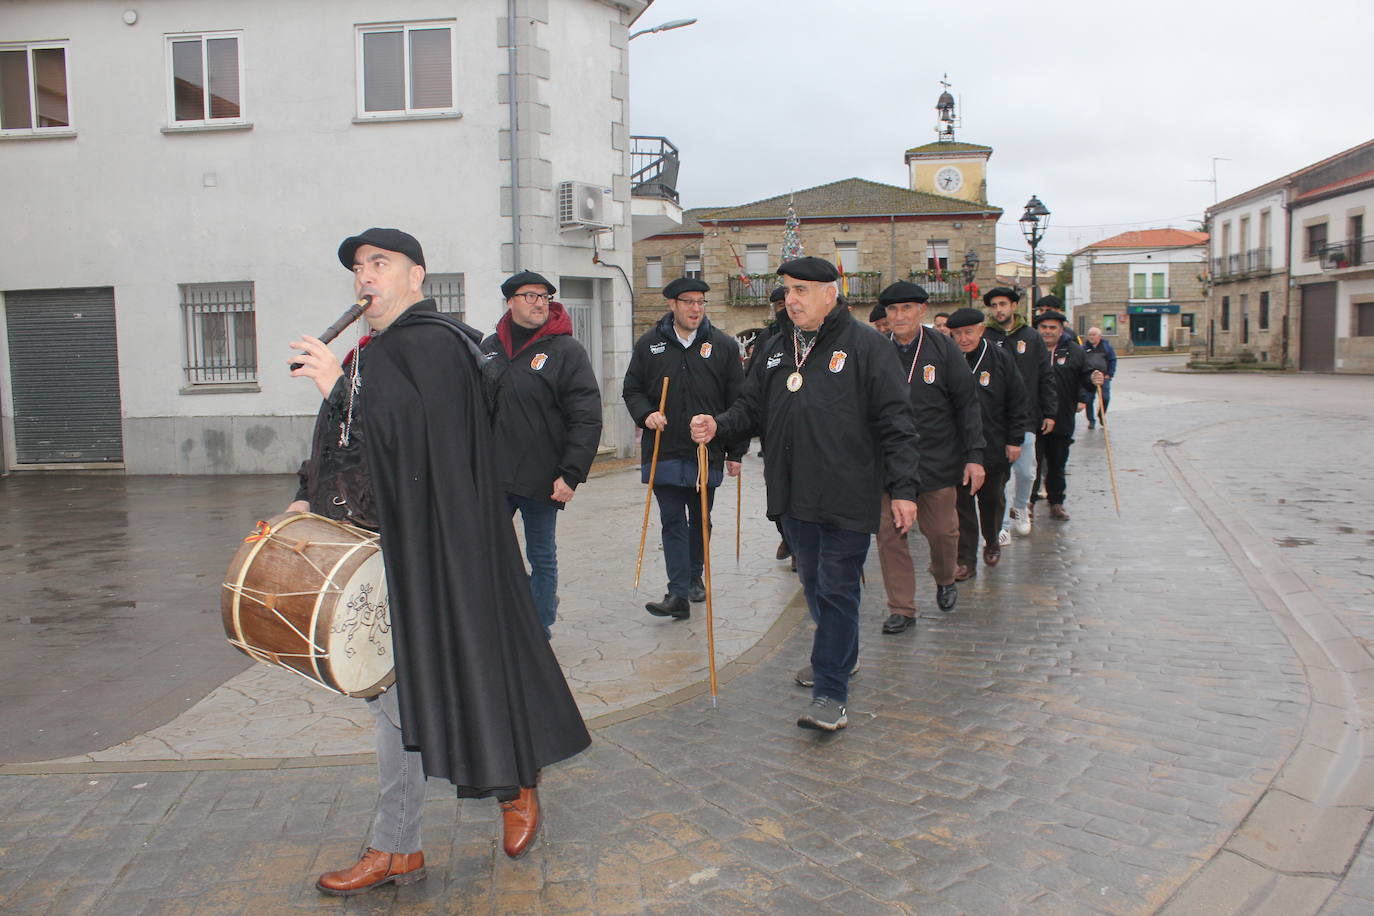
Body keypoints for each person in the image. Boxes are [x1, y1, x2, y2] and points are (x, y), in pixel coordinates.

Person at [288, 228, 590, 896]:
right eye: (358, 268)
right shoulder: (376, 351)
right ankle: (400, 844)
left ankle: (507, 786)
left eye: (379, 263)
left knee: (448, 676)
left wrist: (341, 385)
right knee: (393, 694)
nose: (364, 277)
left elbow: (429, 443)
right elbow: (350, 450)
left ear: (416, 275)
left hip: (442, 547)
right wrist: (304, 510)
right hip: (384, 548)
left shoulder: (437, 344)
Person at [690, 257, 920, 732]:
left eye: (801, 290)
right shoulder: (776, 348)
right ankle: (840, 654)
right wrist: (718, 425)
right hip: (793, 494)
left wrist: (903, 489)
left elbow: (898, 422)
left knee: (836, 588)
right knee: (814, 583)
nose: (791, 299)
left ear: (830, 294)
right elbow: (750, 407)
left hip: (847, 491)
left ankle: (830, 692)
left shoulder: (867, 347)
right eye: (788, 291)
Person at [480, 270, 603, 638]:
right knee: (493, 552)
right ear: (511, 301)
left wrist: (571, 474)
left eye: (544, 296)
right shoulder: (489, 348)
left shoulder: (565, 350)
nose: (539, 303)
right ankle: (516, 610)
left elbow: (587, 416)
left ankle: (539, 624)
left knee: (541, 555)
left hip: (542, 476)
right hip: (494, 475)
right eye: (530, 296)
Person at [623, 277, 746, 620]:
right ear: (672, 305)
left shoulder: (722, 345)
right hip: (664, 447)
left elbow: (738, 401)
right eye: (688, 302)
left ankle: (694, 576)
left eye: (701, 302)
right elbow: (631, 389)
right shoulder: (649, 345)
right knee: (672, 520)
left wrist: (735, 452)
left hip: (707, 449)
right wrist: (646, 414)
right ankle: (677, 592)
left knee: (700, 519)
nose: (695, 308)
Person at [872, 280, 983, 637]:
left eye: (906, 308)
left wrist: (974, 456)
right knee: (890, 535)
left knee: (942, 532)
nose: (899, 316)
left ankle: (945, 577)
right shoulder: (874, 349)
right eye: (892, 310)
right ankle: (902, 607)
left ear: (921, 310)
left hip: (936, 458)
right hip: (888, 461)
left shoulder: (943, 348)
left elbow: (966, 403)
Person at [946, 308, 1031, 575]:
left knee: (992, 499)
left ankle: (992, 539)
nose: (963, 338)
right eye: (957, 333)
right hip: (957, 447)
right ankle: (965, 560)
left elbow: (1018, 400)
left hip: (993, 443)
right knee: (962, 505)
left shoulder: (1001, 359)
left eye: (968, 332)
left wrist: (1015, 440)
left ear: (981, 330)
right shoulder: (948, 359)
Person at [982, 287, 1057, 542]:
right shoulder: (986, 336)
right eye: (993, 305)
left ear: (1014, 306)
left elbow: (1046, 376)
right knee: (999, 476)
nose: (998, 309)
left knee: (1026, 472)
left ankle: (1021, 507)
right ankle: (1001, 525)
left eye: (1003, 304)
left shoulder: (1031, 337)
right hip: (994, 420)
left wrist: (1049, 411)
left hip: (1025, 416)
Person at [1032, 305, 1103, 520]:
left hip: (1062, 416)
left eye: (1052, 327)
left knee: (1057, 463)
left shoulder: (1075, 351)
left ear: (1061, 329)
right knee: (1031, 465)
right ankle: (1029, 503)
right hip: (1033, 417)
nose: (1048, 331)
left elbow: (1086, 375)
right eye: (1043, 327)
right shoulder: (1029, 350)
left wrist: (1093, 379)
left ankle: (1057, 502)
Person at [1082, 326, 1117, 428]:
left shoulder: (1106, 347)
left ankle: (1101, 415)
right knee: (1088, 400)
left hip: (1103, 377)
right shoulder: (1084, 348)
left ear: (1099, 336)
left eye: (1094, 335)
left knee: (1105, 398)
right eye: (1090, 335)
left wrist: (1109, 374)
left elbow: (1113, 360)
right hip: (1089, 378)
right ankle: (1091, 421)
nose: (1091, 337)